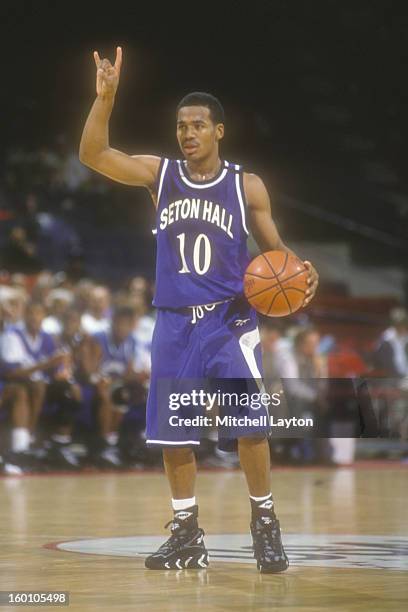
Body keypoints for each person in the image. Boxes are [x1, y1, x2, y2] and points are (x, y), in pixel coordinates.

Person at [79, 47, 318, 573]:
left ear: (219, 132)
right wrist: (106, 98)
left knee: (249, 425)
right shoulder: (159, 175)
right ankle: (187, 535)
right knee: (174, 433)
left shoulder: (245, 184)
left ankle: (265, 523)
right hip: (173, 322)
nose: (187, 134)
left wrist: (301, 272)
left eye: (198, 125)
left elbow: (277, 256)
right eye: (181, 126)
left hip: (228, 320)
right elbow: (94, 154)